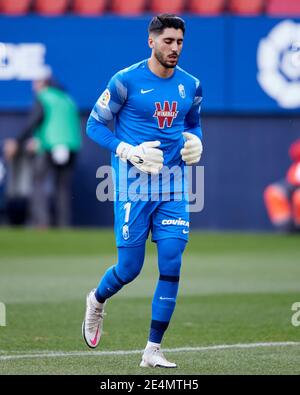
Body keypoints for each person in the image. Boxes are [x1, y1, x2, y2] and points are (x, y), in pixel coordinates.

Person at [83, 14, 203, 368]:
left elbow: (193, 124)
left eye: (179, 42)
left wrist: (197, 142)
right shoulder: (126, 81)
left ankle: (152, 349)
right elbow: (94, 124)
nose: (174, 48)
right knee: (130, 268)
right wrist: (126, 150)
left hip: (174, 186)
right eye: (168, 41)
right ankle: (96, 301)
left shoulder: (191, 85)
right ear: (151, 41)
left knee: (171, 261)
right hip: (133, 187)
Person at [4, 77, 82, 227]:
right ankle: (63, 224)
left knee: (38, 183)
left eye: (35, 84)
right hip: (72, 146)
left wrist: (17, 142)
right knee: (63, 188)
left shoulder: (44, 97)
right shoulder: (67, 99)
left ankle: (41, 222)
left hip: (49, 146)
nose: (34, 88)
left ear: (43, 84)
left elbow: (35, 121)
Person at [264, 139, 300, 232]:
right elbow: (295, 151)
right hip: (294, 184)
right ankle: (286, 227)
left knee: (298, 197)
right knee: (274, 192)